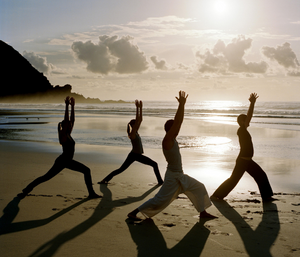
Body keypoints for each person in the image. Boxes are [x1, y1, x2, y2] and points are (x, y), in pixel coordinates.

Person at [128, 91, 217, 220]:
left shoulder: (173, 139)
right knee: (159, 199)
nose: (178, 129)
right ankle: (134, 212)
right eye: (175, 128)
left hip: (180, 175)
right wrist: (181, 105)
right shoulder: (167, 140)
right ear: (170, 130)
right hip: (172, 178)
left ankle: (202, 213)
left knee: (199, 187)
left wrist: (183, 105)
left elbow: (178, 122)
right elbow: (178, 122)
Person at [19, 96, 101, 199]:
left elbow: (72, 120)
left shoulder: (68, 134)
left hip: (65, 160)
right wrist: (66, 106)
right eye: (68, 125)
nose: (71, 125)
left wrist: (73, 107)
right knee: (46, 177)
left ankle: (26, 190)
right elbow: (67, 119)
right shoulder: (63, 135)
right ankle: (91, 193)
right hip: (63, 161)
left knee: (47, 177)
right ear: (64, 126)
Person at [211, 93, 276, 202]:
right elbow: (249, 115)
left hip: (248, 161)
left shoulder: (244, 130)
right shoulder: (241, 130)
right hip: (242, 161)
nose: (249, 121)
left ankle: (267, 197)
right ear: (242, 122)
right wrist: (252, 103)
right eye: (246, 120)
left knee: (261, 175)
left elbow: (249, 117)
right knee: (233, 180)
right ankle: (217, 196)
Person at [98, 100, 163, 185]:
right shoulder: (132, 134)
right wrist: (137, 108)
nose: (138, 124)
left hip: (137, 155)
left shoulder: (135, 132)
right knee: (121, 169)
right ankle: (105, 180)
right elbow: (138, 121)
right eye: (136, 124)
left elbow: (140, 119)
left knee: (154, 164)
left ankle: (160, 181)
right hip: (134, 155)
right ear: (133, 125)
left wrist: (140, 108)